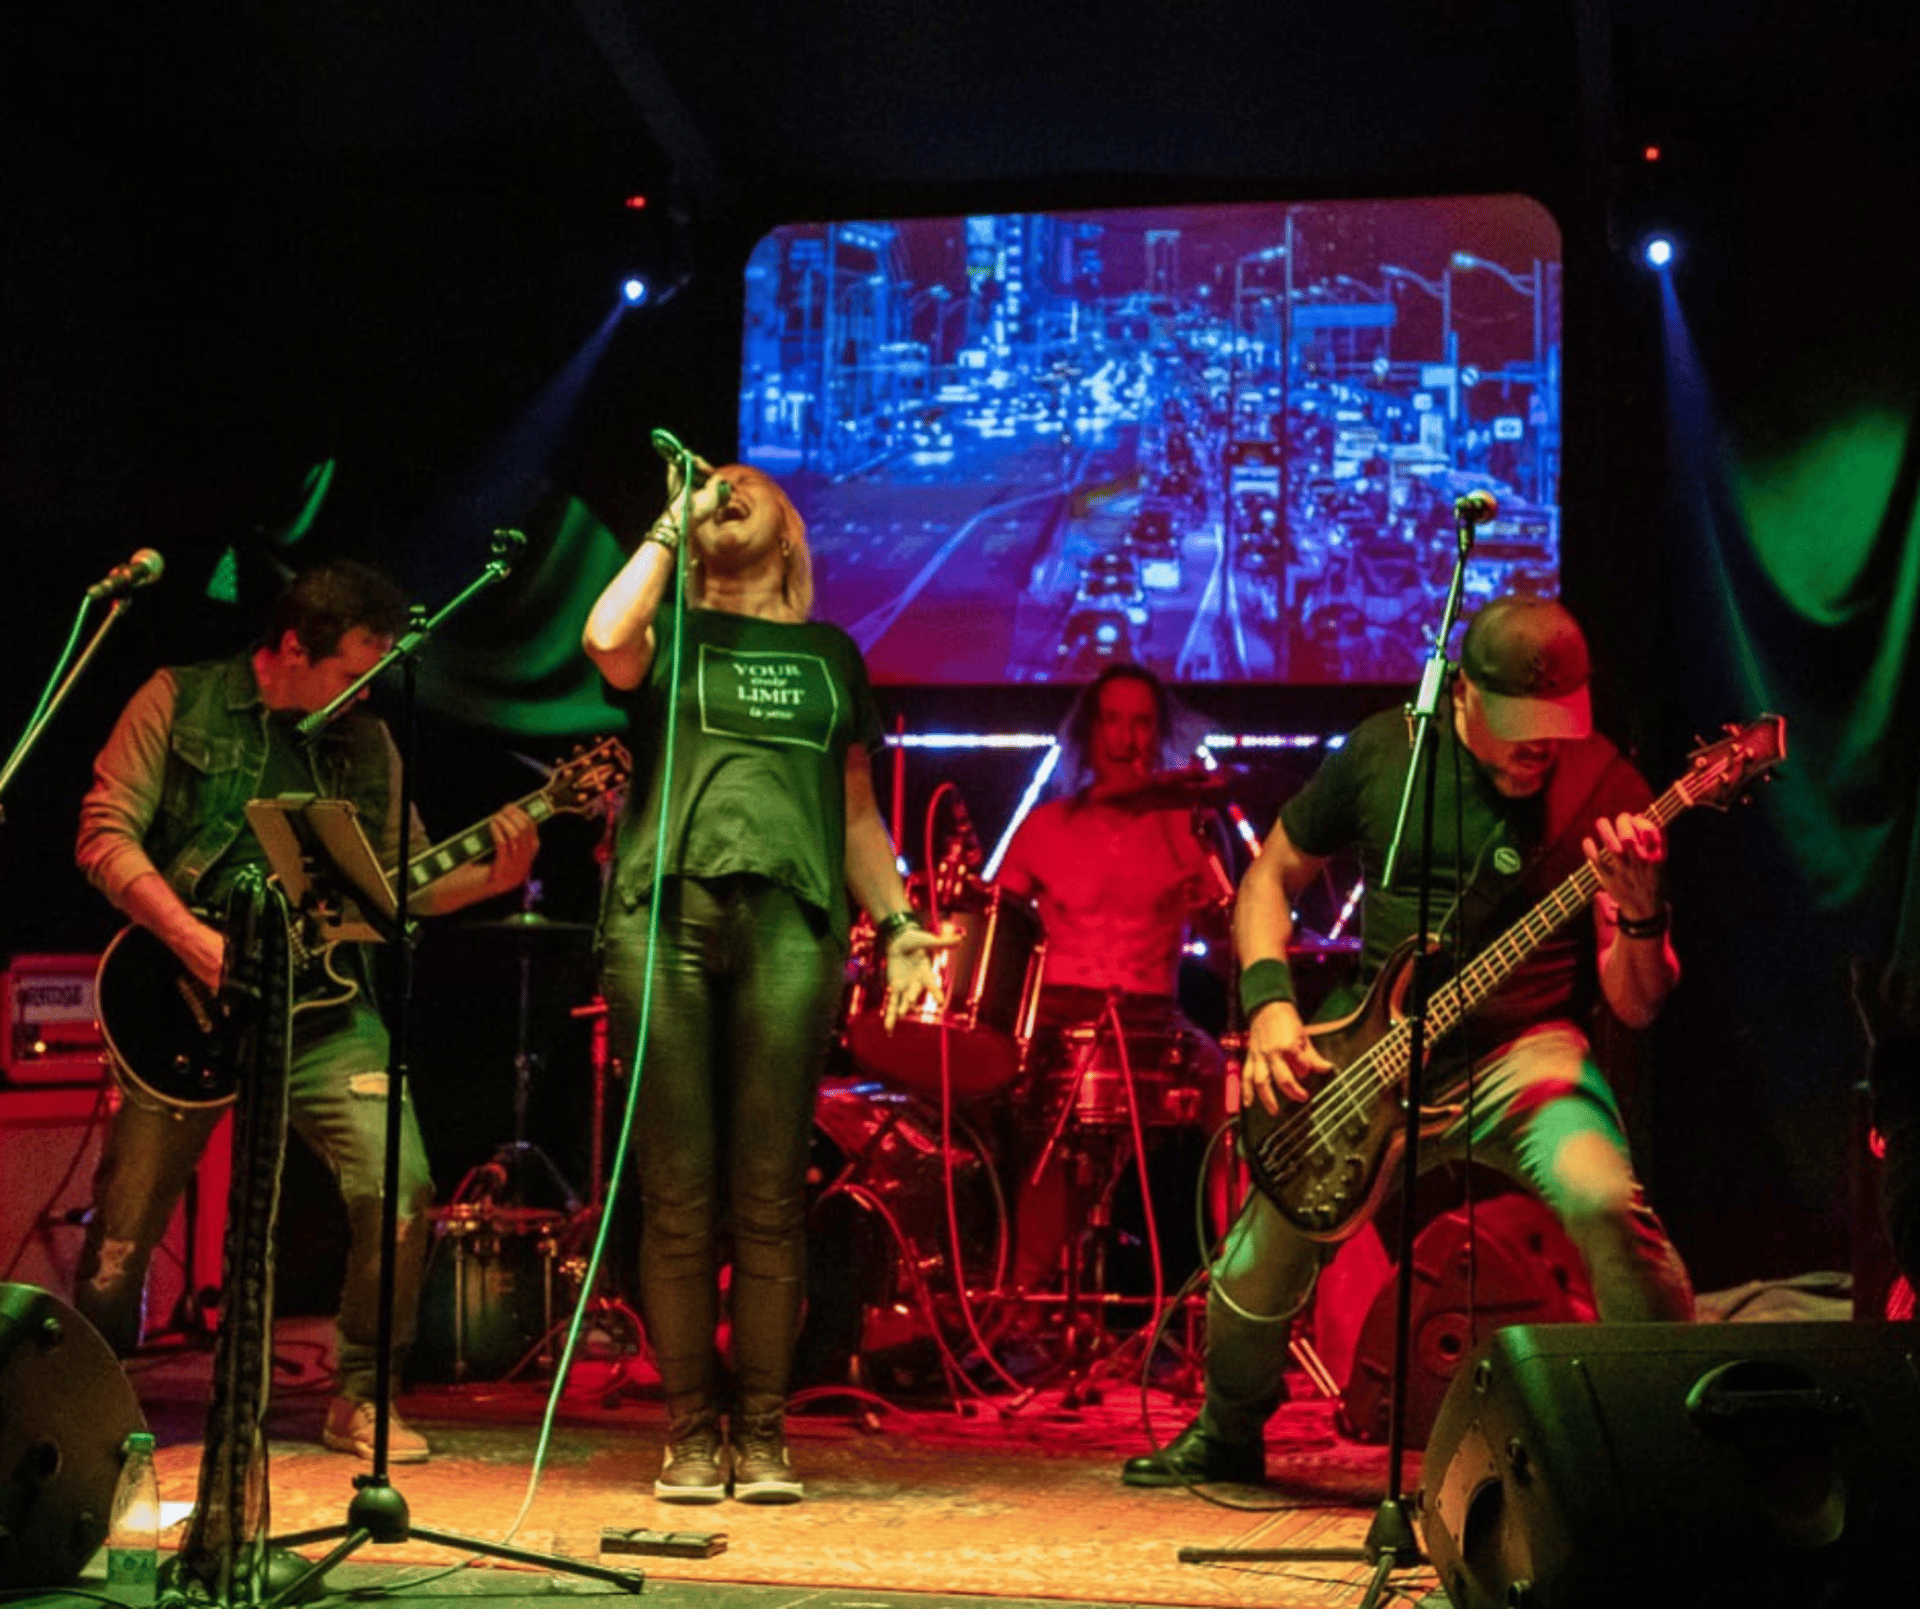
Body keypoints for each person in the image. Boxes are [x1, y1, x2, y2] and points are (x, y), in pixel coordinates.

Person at [1122, 593, 1695, 1486]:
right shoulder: (1386, 750)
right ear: (1462, 691)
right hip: (1372, 1048)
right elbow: (1269, 874)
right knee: (1258, 1251)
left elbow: (1635, 1003)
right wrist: (1272, 1002)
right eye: (1517, 726)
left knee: (1601, 1197)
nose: (1538, 746)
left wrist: (1647, 915)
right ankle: (1229, 1427)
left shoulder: (1602, 786)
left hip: (1523, 1051)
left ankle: (1664, 1442)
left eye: (1555, 724)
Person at [74, 559, 540, 1463]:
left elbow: (396, 886)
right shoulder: (180, 698)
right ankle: (90, 1404)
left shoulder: (368, 745)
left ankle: (361, 1395)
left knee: (399, 1186)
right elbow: (102, 834)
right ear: (291, 647)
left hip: (323, 1010)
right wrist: (191, 941)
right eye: (350, 672)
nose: (365, 693)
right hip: (182, 1002)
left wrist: (490, 878)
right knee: (125, 1226)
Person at [583, 455, 950, 1505]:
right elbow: (605, 638)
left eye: (749, 486)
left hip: (793, 927)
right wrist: (673, 518)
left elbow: (855, 812)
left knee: (768, 1196)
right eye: (714, 486)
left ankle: (763, 1436)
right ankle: (691, 1434)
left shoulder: (833, 654)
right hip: (666, 920)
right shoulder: (667, 636)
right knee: (679, 1194)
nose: (726, 488)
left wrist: (901, 923)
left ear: (790, 532)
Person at [995, 664, 1233, 1294]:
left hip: (1153, 1016)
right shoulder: (1045, 827)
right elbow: (997, 934)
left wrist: (1212, 903)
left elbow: (1230, 940)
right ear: (1089, 731)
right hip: (1059, 1015)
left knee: (1238, 1098)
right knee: (1050, 1158)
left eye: (1141, 722)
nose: (1125, 736)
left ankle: (1237, 1285)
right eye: (1111, 718)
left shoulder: (1187, 829)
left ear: (1157, 736)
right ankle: (1016, 1301)